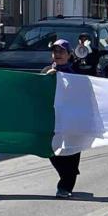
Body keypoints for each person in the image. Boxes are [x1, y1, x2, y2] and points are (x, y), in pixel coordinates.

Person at [41, 39, 81, 199]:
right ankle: (68, 173)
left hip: (72, 120)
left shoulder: (75, 75)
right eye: (55, 51)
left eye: (61, 51)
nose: (57, 54)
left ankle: (65, 186)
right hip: (52, 120)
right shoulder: (46, 71)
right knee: (52, 150)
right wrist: (47, 78)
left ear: (69, 55)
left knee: (72, 152)